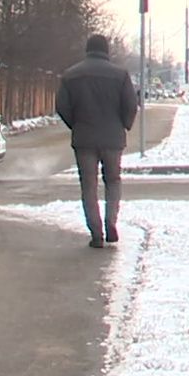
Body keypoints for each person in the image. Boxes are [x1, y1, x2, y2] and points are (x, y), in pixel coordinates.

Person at [55, 33, 138, 249]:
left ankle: (96, 233)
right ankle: (111, 222)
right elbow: (131, 105)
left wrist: (77, 124)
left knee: (88, 185)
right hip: (113, 138)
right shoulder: (120, 75)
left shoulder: (71, 75)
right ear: (106, 50)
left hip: (84, 139)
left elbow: (62, 107)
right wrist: (123, 125)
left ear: (87, 50)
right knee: (113, 181)